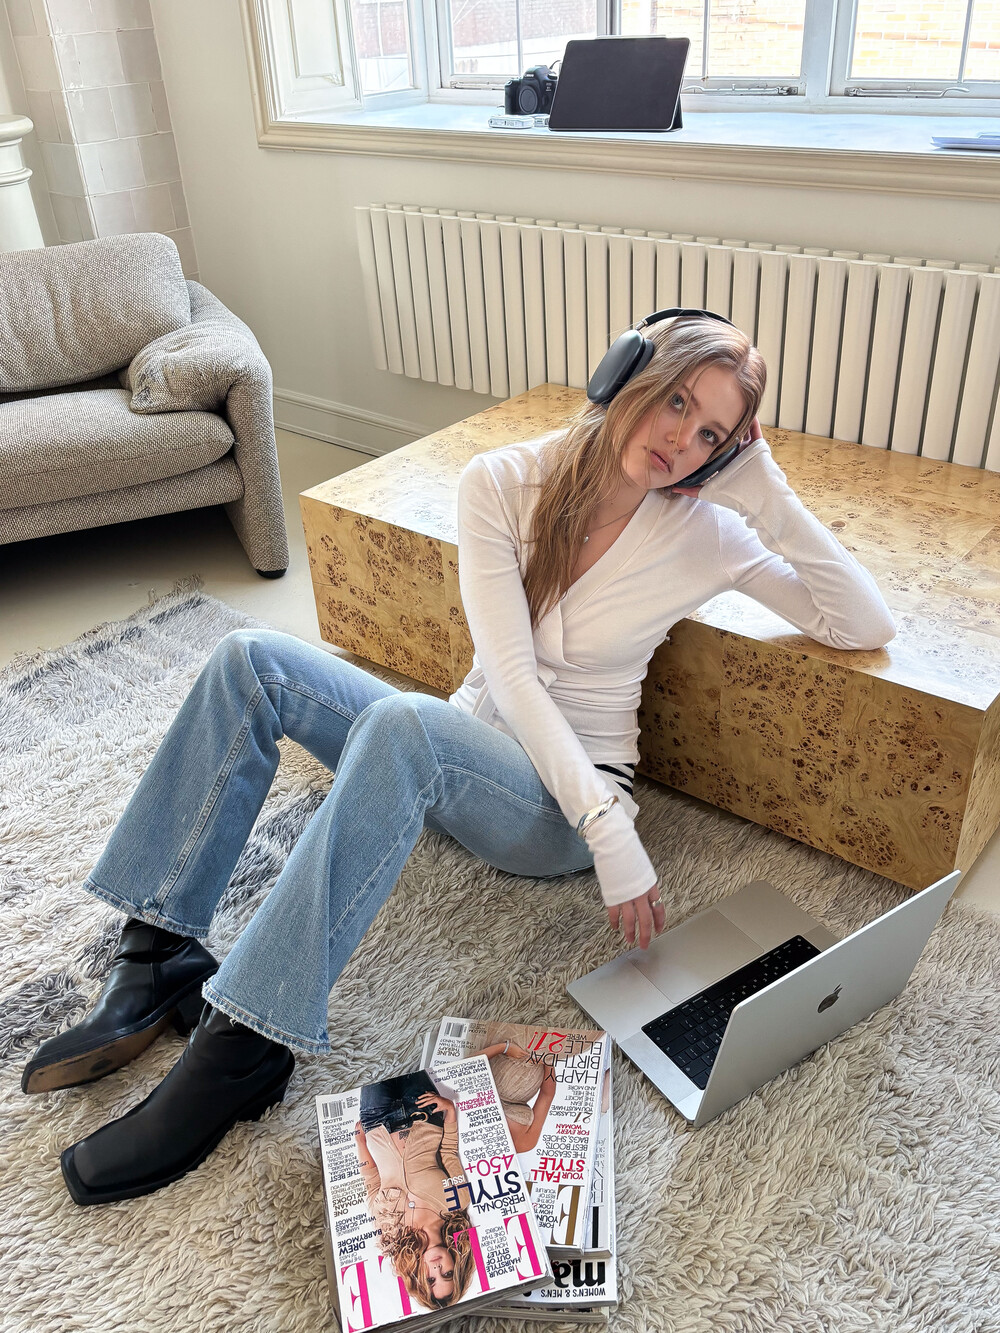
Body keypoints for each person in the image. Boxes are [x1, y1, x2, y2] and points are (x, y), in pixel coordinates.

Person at [22, 313, 896, 1207]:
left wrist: (766, 491)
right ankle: (158, 950)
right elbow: (509, 673)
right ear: (625, 372)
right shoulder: (505, 481)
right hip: (455, 747)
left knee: (406, 725)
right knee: (250, 660)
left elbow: (861, 622)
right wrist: (614, 834)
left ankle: (243, 1046)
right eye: (676, 402)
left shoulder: (703, 532)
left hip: (559, 809)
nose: (682, 439)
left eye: (711, 433)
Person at [354, 1075, 475, 1309]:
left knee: (373, 1068)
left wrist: (360, 1144)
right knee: (411, 1058)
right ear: (457, 1264)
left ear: (418, 1276)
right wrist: (450, 1112)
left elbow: (371, 1181)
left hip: (375, 1121)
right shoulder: (459, 1202)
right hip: (423, 1109)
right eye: (447, 1274)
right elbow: (448, 1152)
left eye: (431, 1279)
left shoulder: (390, 1233)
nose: (437, 1268)